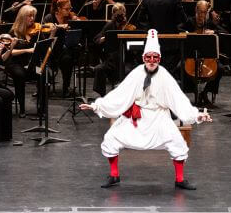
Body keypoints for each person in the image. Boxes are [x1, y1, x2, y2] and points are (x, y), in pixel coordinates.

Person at [81, 29, 212, 189]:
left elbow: (179, 100)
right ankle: (114, 175)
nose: (151, 61)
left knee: (177, 143)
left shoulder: (164, 76)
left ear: (159, 59)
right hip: (137, 117)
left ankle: (180, 179)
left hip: (159, 118)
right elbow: (120, 94)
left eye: (155, 57)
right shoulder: (136, 74)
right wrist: (97, 105)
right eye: (148, 57)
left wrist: (197, 115)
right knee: (111, 138)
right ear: (143, 58)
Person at [180, 0, 222, 107]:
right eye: (200, 12)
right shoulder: (190, 21)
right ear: (196, 10)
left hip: (207, 58)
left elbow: (223, 32)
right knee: (180, 68)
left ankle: (204, 92)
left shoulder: (209, 23)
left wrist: (214, 32)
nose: (202, 15)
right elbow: (178, 29)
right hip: (191, 57)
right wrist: (189, 34)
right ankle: (193, 92)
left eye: (204, 12)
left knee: (220, 69)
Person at [2, 5, 40, 116]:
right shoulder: (13, 33)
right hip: (15, 63)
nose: (32, 19)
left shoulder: (36, 31)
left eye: (33, 16)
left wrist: (52, 33)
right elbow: (11, 53)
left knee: (43, 73)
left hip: (31, 63)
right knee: (20, 75)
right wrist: (28, 50)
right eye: (29, 16)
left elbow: (44, 46)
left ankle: (40, 108)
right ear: (22, 17)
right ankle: (22, 108)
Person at [92, 3, 131, 95]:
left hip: (126, 60)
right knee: (99, 69)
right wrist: (106, 37)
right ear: (113, 14)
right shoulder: (109, 26)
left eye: (122, 14)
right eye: (118, 15)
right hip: (111, 60)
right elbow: (97, 39)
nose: (121, 17)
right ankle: (103, 96)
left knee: (130, 71)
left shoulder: (128, 26)